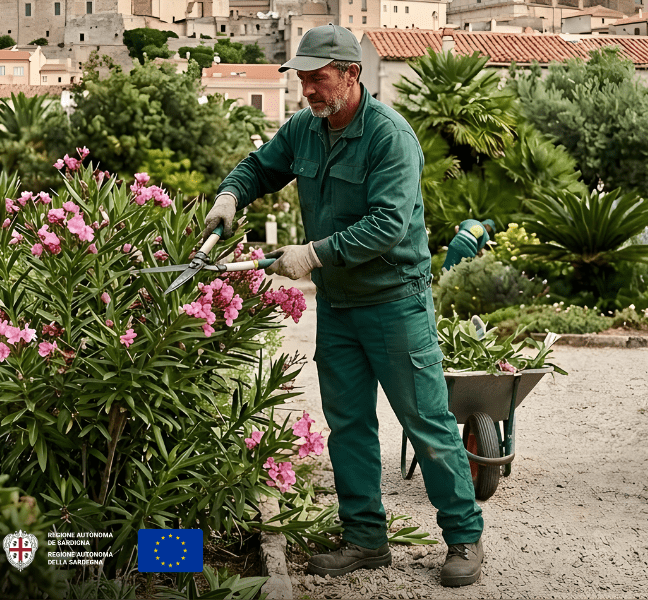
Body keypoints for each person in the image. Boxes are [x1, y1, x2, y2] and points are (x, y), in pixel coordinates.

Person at [202, 24, 485, 587]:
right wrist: (230, 197)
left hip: (394, 304)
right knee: (348, 425)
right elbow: (261, 166)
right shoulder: (306, 130)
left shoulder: (389, 137)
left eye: (317, 78)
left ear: (351, 74)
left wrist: (312, 254)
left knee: (427, 423)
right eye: (302, 78)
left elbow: (388, 225)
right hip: (339, 307)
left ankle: (463, 537)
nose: (306, 89)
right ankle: (365, 539)